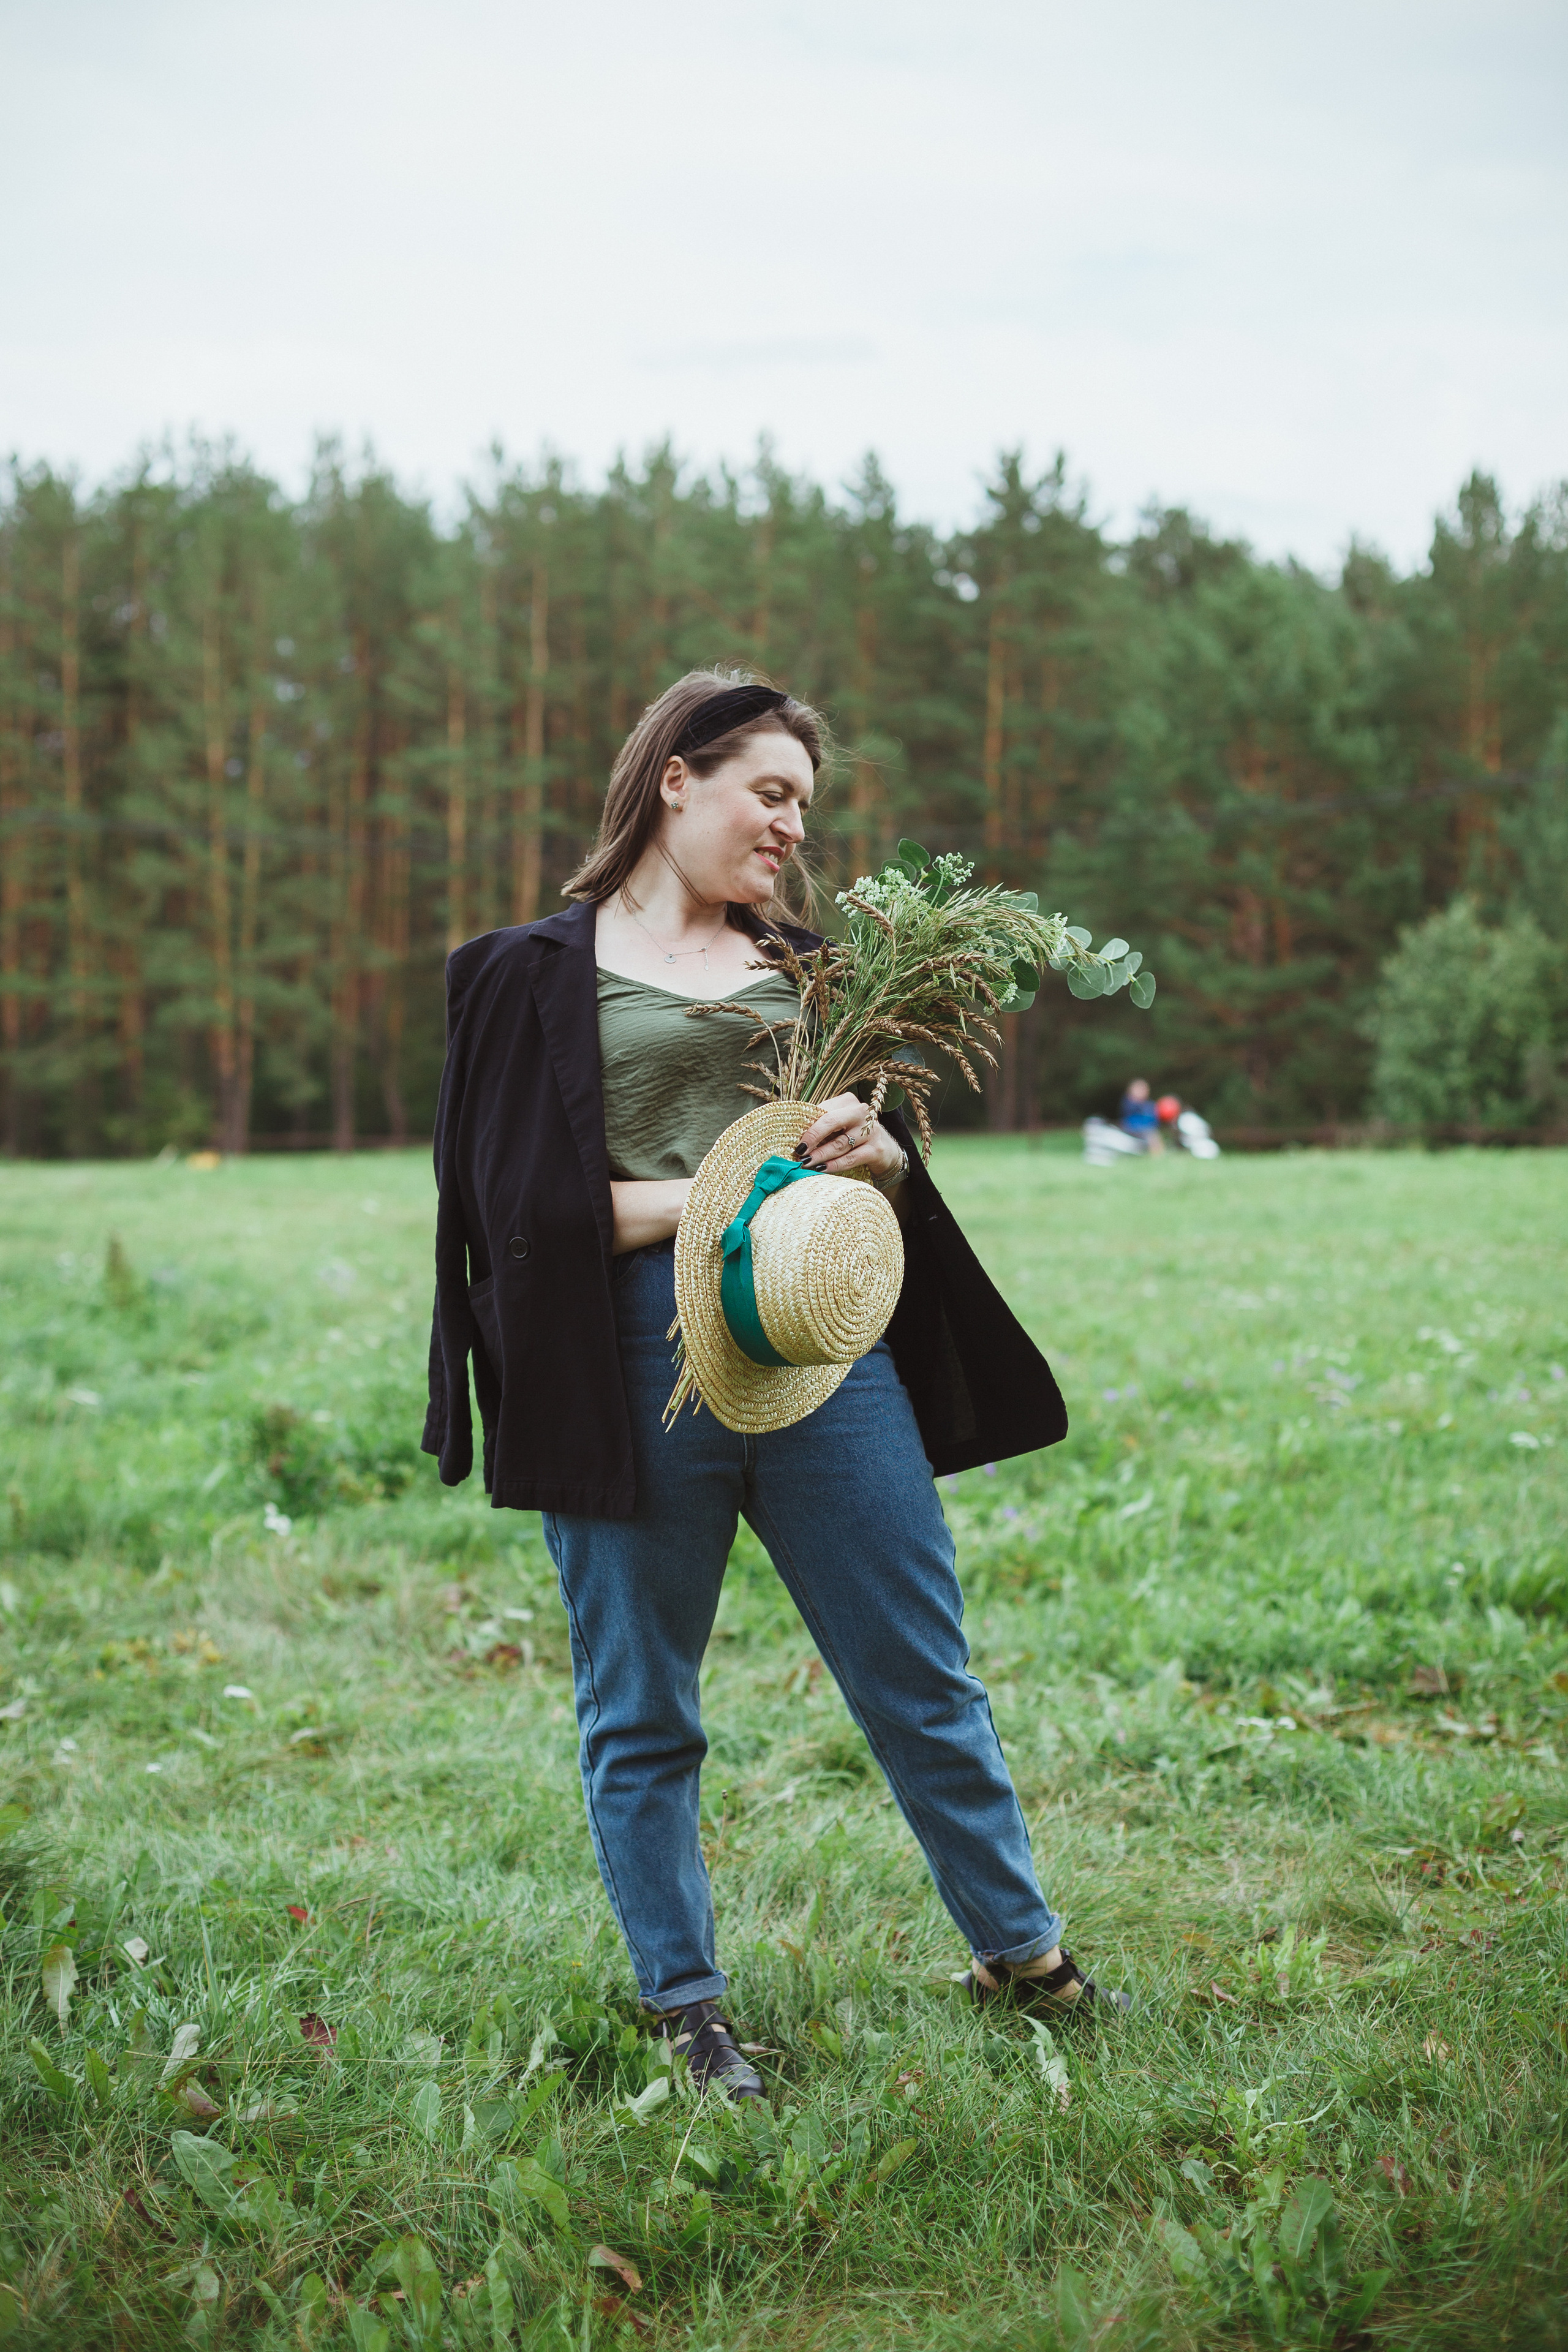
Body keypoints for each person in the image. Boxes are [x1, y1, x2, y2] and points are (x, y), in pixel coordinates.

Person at [423, 671, 1129, 2101]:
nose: (792, 826)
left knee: (919, 1671)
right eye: (768, 791)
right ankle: (685, 2005)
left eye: (804, 804)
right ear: (673, 777)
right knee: (644, 1707)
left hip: (818, 1353)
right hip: (621, 1360)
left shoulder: (818, 974)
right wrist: (719, 1195)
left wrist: (882, 1157)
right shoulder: (517, 974)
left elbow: (861, 1182)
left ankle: (1021, 1953)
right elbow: (508, 1208)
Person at [1119, 1077, 1162, 1152]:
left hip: (1148, 1129)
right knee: (1150, 1135)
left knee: (1153, 1135)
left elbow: (1155, 1120)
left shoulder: (1150, 1105)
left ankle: (1157, 1153)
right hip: (1132, 1129)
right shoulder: (1129, 1103)